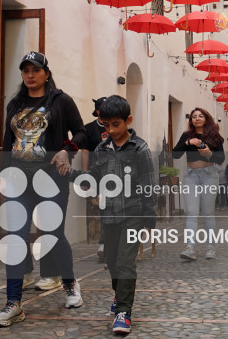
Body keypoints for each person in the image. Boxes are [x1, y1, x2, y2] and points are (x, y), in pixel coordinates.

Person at [0, 52, 88, 328]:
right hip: (19, 179)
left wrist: (67, 151)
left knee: (53, 233)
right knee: (16, 238)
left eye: (35, 70)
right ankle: (13, 303)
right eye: (25, 70)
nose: (30, 75)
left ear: (46, 73)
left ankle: (69, 285)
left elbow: (81, 132)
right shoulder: (15, 103)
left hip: (50, 179)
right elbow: (8, 144)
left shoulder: (60, 101)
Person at [71, 95, 156, 334]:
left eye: (116, 125)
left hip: (133, 214)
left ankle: (124, 312)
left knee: (126, 262)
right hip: (109, 214)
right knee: (111, 260)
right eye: (106, 126)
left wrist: (149, 219)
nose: (111, 130)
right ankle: (120, 297)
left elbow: (148, 184)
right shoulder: (101, 148)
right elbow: (94, 179)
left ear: (128, 120)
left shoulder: (139, 148)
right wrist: (71, 174)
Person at [172, 107, 224, 261]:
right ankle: (190, 248)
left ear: (206, 119)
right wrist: (188, 142)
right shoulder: (186, 136)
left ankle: (210, 247)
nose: (197, 118)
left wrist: (209, 154)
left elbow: (220, 159)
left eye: (201, 116)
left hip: (209, 176)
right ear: (191, 120)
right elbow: (175, 154)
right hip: (191, 177)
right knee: (192, 213)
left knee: (208, 213)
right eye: (194, 116)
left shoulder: (214, 136)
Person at [82, 96, 108, 262]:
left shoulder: (117, 125)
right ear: (98, 110)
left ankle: (109, 244)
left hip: (117, 175)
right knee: (105, 209)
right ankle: (104, 245)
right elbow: (85, 153)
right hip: (97, 174)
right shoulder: (89, 129)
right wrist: (85, 177)